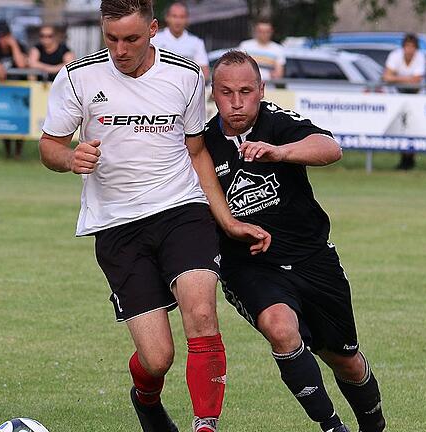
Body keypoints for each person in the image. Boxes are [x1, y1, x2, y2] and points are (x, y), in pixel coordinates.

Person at [39, 2, 270, 431]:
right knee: (157, 357)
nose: (120, 50)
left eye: (131, 39)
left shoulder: (184, 75)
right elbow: (49, 146)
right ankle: (146, 401)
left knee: (201, 314)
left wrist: (227, 220)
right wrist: (71, 158)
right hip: (117, 225)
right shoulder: (77, 77)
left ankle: (206, 425)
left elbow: (197, 153)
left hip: (182, 210)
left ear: (153, 30)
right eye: (111, 39)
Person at [204, 50, 386, 432]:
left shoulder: (277, 122)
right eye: (225, 92)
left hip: (312, 257)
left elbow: (330, 148)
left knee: (345, 360)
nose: (236, 103)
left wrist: (281, 153)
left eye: (245, 91)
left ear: (261, 90)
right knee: (281, 328)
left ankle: (374, 426)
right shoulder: (204, 144)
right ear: (213, 93)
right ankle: (332, 428)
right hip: (250, 265)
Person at [383, 33, 425, 170]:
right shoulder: (395, 55)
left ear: (416, 48)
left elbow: (417, 80)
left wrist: (397, 77)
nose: (410, 49)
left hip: (416, 96)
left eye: (412, 46)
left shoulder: (420, 57)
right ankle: (403, 160)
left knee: (413, 128)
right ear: (404, 47)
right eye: (407, 46)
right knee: (400, 129)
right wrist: (408, 79)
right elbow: (387, 77)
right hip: (398, 95)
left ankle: (410, 160)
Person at [0, 22, 28, 159]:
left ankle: (18, 153)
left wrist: (14, 45)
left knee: (20, 121)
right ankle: (7, 152)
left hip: (19, 89)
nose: (2, 40)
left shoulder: (19, 46)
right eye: (0, 37)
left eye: (5, 36)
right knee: (6, 122)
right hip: (4, 90)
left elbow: (22, 64)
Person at [150, 1, 208, 78]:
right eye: (174, 16)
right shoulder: (154, 38)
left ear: (187, 19)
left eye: (182, 17)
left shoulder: (196, 42)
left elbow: (204, 72)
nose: (178, 21)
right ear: (167, 17)